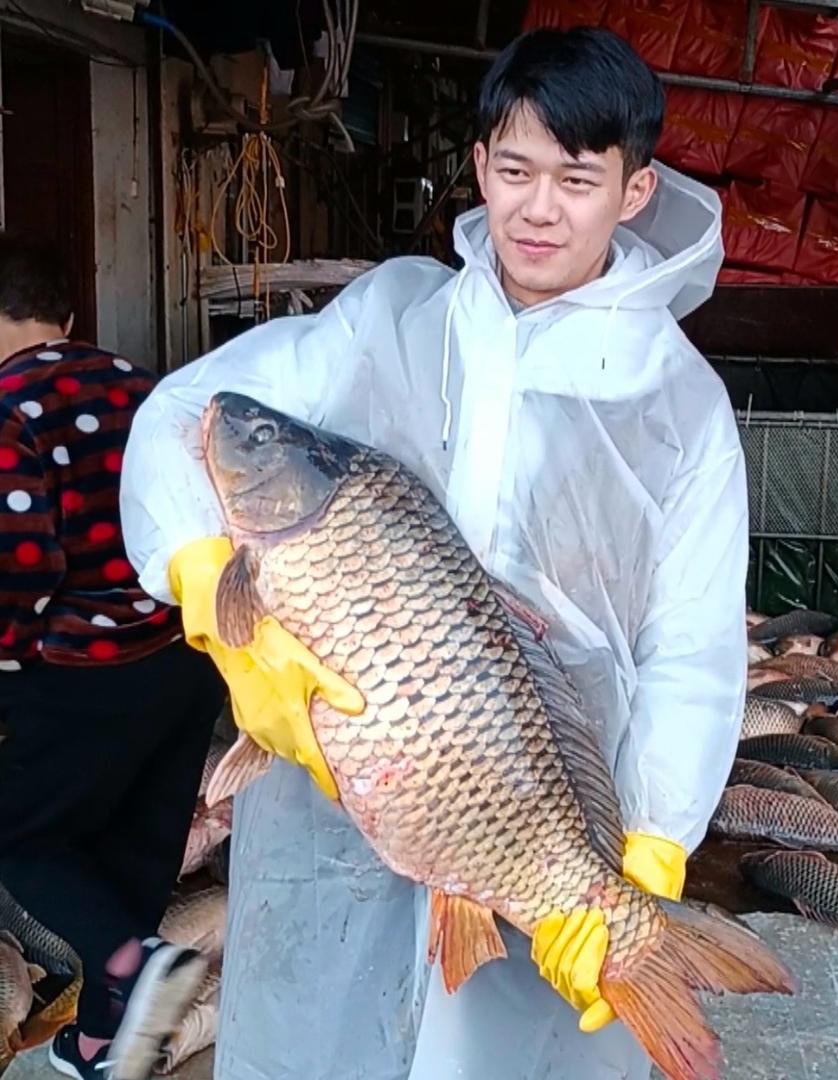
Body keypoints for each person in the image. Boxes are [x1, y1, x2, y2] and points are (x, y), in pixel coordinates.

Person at [120, 26, 748, 1080]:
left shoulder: (682, 405)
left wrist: (651, 841)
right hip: (336, 799)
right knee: (318, 1043)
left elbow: (691, 650)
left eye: (576, 180)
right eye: (514, 171)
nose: (538, 208)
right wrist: (202, 588)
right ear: (479, 169)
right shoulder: (392, 316)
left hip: (535, 811)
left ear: (635, 191)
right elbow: (188, 414)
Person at [0, 237, 225, 1080]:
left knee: (23, 838)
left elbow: (23, 558)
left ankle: (134, 962)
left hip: (86, 671)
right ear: (65, 318)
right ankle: (102, 1044)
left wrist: (12, 656)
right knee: (138, 846)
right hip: (187, 657)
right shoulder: (149, 387)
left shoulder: (9, 404)